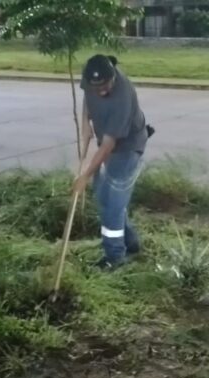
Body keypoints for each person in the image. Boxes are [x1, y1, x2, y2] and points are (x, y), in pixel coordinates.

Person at [72, 54, 150, 270]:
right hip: (106, 142)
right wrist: (86, 123)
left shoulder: (122, 96)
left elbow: (108, 145)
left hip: (127, 146)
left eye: (105, 86)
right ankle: (131, 241)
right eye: (97, 87)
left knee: (113, 205)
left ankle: (114, 256)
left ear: (113, 76)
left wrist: (84, 176)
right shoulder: (91, 79)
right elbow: (88, 98)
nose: (101, 91)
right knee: (104, 195)